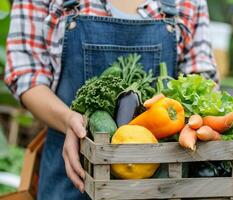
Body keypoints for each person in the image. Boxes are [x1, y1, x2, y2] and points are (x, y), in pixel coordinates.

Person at [4, 0, 218, 199]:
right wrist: (68, 118)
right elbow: (25, 75)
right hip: (73, 171)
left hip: (161, 182)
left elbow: (202, 80)